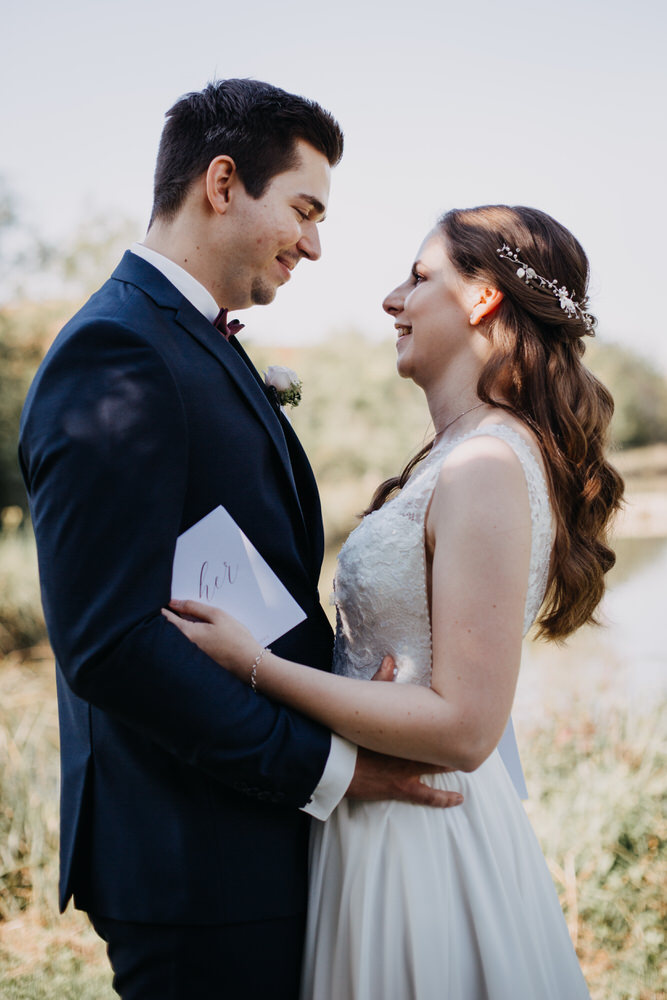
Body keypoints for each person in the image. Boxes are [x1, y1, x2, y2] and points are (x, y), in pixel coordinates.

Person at [18, 79, 462, 1000]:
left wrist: (341, 689)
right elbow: (111, 644)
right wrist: (334, 767)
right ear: (222, 183)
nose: (314, 242)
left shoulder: (194, 340)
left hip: (245, 837)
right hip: (192, 859)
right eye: (302, 209)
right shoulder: (117, 351)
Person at [165, 204, 624, 999]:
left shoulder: (484, 463)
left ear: (482, 299)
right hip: (372, 814)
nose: (389, 301)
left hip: (423, 839)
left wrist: (254, 667)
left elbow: (466, 728)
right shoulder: (455, 452)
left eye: (417, 277)